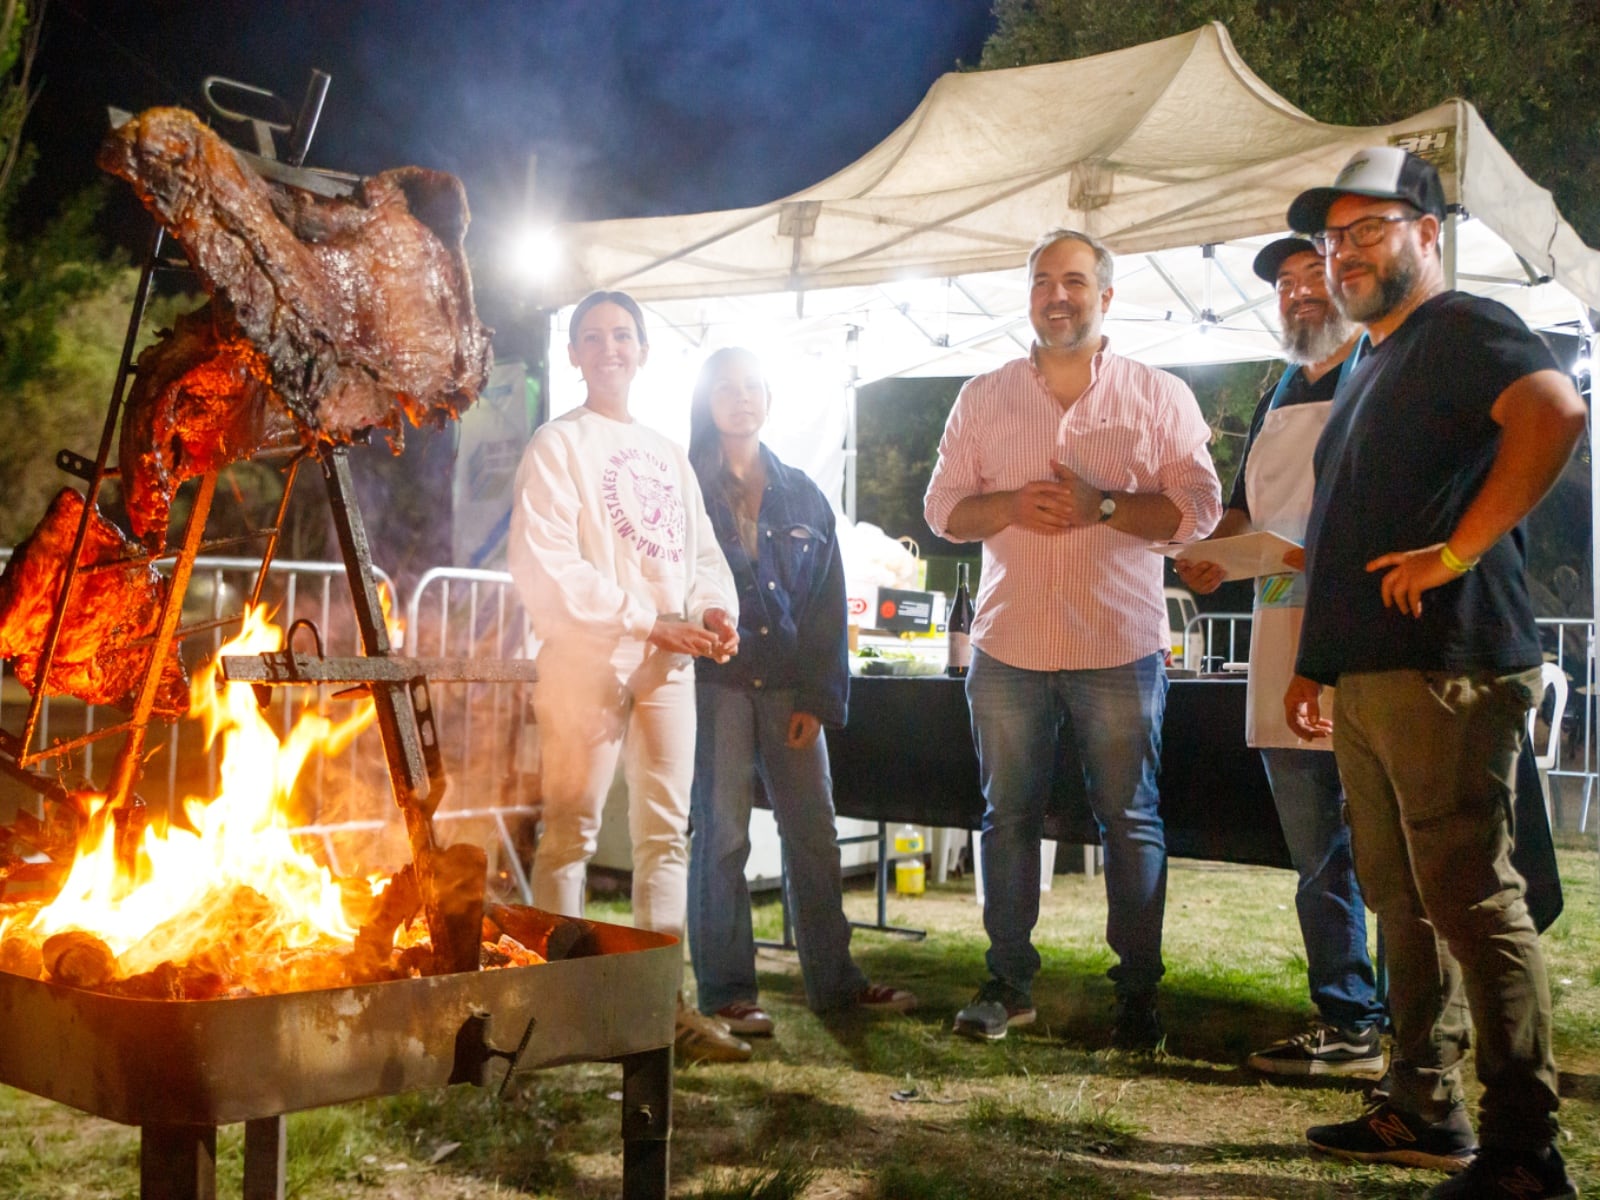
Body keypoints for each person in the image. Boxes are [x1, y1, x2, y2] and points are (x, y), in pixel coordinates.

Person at [1283, 148, 1583, 1197]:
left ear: (1427, 233)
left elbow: (1555, 414)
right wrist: (1318, 664)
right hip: (1374, 674)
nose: (1345, 253)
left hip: (1446, 664)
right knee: (1400, 902)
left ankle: (1522, 1151)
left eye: (1369, 230)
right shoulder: (1372, 359)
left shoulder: (1463, 328)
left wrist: (1454, 554)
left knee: (1467, 899)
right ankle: (1423, 1105)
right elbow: (1343, 527)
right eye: (1334, 238)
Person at [923, 228, 1222, 1048]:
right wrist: (1014, 505)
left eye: (1077, 281)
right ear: (1029, 297)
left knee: (1130, 820)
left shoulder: (1157, 396)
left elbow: (1198, 508)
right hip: (1008, 642)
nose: (1060, 295)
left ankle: (1136, 996)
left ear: (1107, 297)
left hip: (1119, 644)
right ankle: (1008, 983)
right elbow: (941, 510)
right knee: (1006, 816)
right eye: (1045, 281)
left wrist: (1109, 507)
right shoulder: (982, 398)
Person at [508, 290, 751, 1064]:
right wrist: (647, 620)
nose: (609, 348)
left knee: (664, 839)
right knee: (571, 833)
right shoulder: (557, 444)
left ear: (643, 352)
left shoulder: (664, 452)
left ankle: (658, 1009)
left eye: (622, 336)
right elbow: (548, 567)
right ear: (574, 355)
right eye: (592, 337)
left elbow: (701, 553)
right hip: (587, 663)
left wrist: (714, 612)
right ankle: (563, 1010)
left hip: (669, 664)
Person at [1173, 237, 1386, 1078]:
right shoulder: (1279, 391)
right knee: (1319, 856)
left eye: (1311, 277)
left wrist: (1307, 555)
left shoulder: (1377, 374)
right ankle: (1347, 1021)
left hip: (1362, 646)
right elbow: (1241, 513)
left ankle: (1415, 1031)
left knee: (1389, 854)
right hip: (1275, 639)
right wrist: (1208, 553)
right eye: (1286, 285)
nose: (1298, 294)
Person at [684, 347, 917, 1038]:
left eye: (752, 386)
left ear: (768, 398)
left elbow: (826, 601)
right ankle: (727, 992)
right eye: (725, 388)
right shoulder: (683, 486)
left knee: (812, 831)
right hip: (716, 681)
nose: (740, 398)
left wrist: (819, 698)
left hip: (790, 686)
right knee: (722, 836)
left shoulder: (801, 493)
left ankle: (834, 982)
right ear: (708, 401)